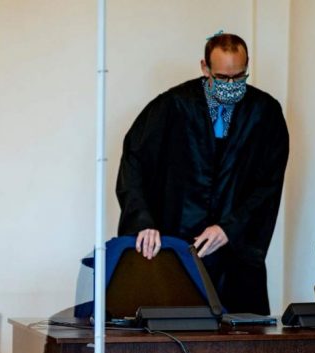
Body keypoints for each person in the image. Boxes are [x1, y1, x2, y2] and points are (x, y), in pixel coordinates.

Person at [116, 32, 289, 315]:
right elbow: (134, 161)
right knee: (177, 330)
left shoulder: (265, 113)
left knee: (242, 334)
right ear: (205, 68)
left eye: (239, 77)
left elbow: (269, 184)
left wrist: (229, 228)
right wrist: (142, 221)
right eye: (222, 77)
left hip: (234, 253)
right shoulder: (172, 106)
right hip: (178, 247)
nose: (231, 85)